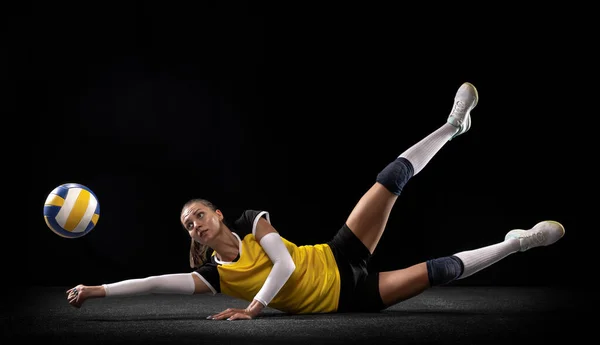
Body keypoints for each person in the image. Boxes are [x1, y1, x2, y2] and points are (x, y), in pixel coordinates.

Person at [66, 82, 565, 320]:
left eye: (197, 214)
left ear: (218, 215)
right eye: (186, 223)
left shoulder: (249, 220)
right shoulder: (214, 277)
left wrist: (255, 308)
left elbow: (282, 265)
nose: (192, 223)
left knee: (389, 181)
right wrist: (95, 289)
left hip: (336, 255)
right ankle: (516, 244)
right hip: (349, 299)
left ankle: (453, 126)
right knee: (437, 272)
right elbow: (153, 283)